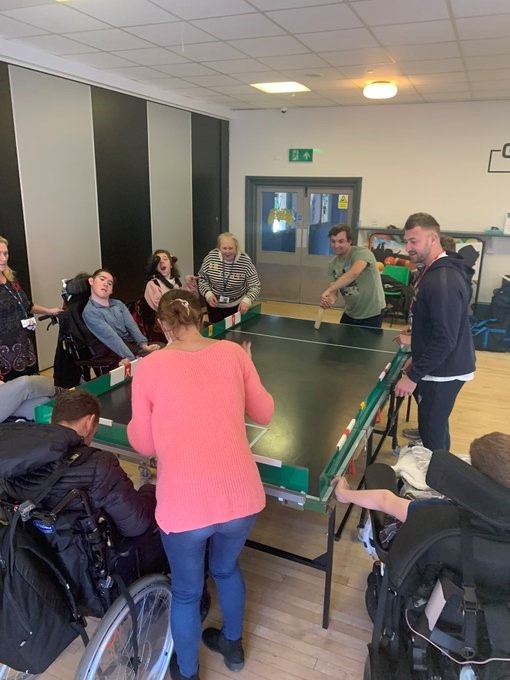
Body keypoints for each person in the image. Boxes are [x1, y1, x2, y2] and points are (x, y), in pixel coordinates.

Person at [127, 289, 274, 680]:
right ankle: (233, 646)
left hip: (184, 507)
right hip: (241, 497)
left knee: (188, 592)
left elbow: (142, 443)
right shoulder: (235, 354)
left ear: (162, 324)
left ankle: (188, 673)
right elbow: (265, 412)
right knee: (226, 569)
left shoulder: (150, 367)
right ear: (204, 317)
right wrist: (246, 375)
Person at [0, 390, 167, 614]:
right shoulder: (98, 464)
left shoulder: (16, 460)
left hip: (42, 564)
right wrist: (149, 490)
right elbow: (135, 525)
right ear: (89, 423)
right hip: (91, 568)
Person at [394, 213, 476, 451]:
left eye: (414, 241)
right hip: (441, 366)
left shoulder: (443, 280)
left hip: (443, 372)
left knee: (432, 430)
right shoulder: (434, 269)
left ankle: (437, 484)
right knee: (435, 425)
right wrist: (417, 355)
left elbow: (444, 338)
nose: (408, 247)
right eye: (406, 241)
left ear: (432, 238)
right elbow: (434, 327)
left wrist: (413, 376)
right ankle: (438, 473)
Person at [332, 432, 510, 524]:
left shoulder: (449, 511)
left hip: (427, 559)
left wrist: (345, 493)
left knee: (379, 472)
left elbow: (385, 500)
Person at [0, 235, 62, 381]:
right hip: (4, 353)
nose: (3, 258)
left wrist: (49, 310)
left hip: (23, 344)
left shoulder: (10, 279)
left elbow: (26, 304)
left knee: (32, 387)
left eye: (5, 253)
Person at [83, 268, 160, 364]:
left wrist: (144, 345)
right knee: (156, 360)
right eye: (102, 279)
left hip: (133, 346)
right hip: (115, 352)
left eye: (110, 283)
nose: (106, 284)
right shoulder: (90, 312)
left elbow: (131, 326)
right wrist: (132, 359)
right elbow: (111, 338)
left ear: (111, 290)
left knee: (163, 350)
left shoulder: (118, 304)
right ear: (91, 281)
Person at [320, 224, 386, 328]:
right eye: (333, 241)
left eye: (341, 241)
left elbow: (353, 273)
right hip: (350, 312)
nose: (336, 245)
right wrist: (330, 299)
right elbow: (334, 292)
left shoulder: (362, 253)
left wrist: (329, 290)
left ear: (349, 241)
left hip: (372, 312)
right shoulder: (332, 265)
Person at [198, 232, 261, 324]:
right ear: (219, 248)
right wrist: (208, 294)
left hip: (237, 306)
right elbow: (202, 279)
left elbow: (255, 285)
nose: (227, 251)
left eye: (231, 248)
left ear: (236, 247)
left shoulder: (245, 261)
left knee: (235, 334)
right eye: (224, 248)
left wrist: (247, 300)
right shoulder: (210, 258)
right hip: (214, 305)